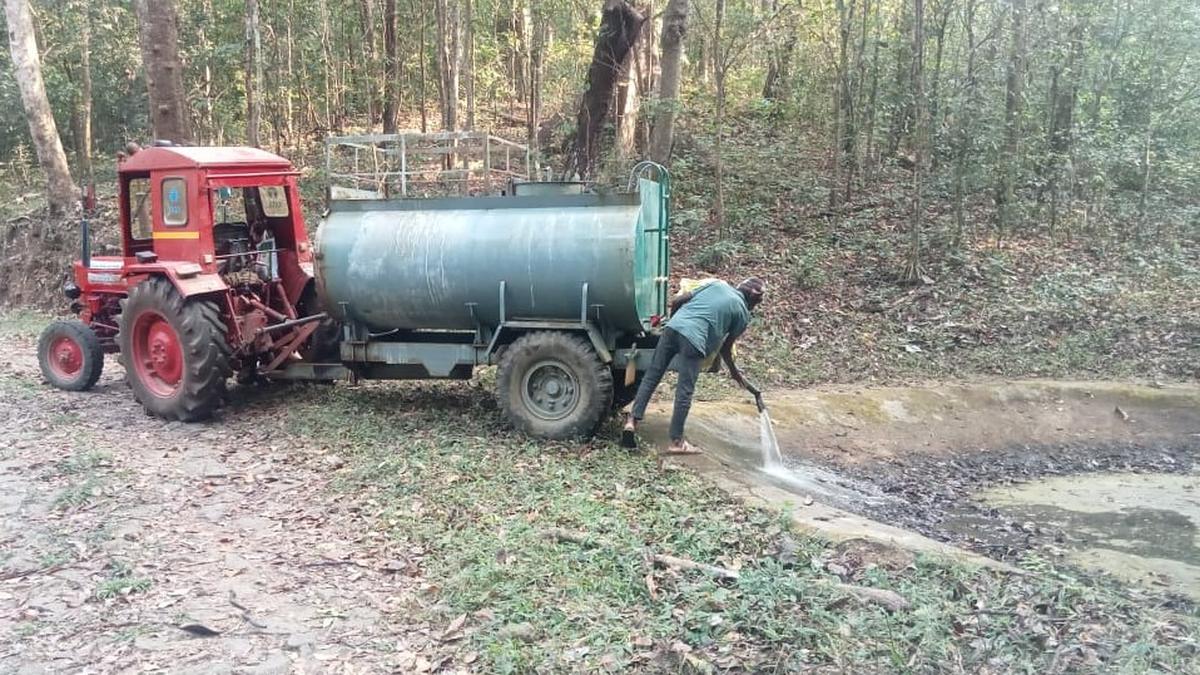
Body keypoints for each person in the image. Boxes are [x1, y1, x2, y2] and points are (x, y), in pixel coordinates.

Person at [622, 277, 766, 453]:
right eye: (757, 304)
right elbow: (726, 349)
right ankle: (677, 442)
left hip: (672, 329)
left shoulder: (717, 285)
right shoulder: (743, 314)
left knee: (652, 375)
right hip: (695, 339)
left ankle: (631, 421)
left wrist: (675, 321)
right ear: (752, 300)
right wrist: (734, 372)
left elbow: (677, 300)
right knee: (684, 390)